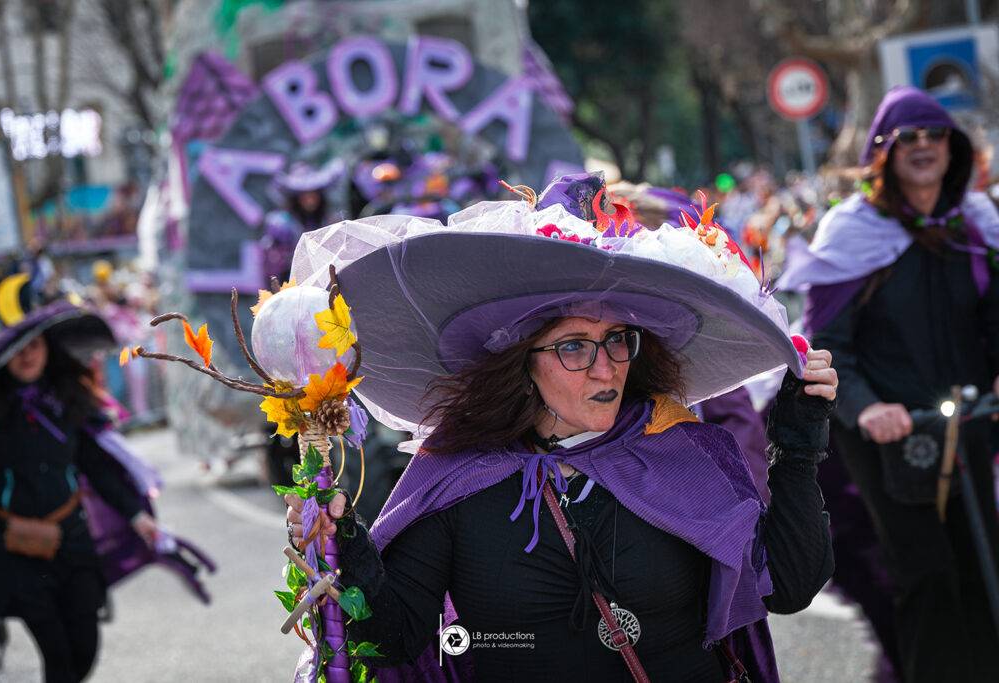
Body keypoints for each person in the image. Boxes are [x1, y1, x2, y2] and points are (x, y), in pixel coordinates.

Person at [286, 173, 837, 681]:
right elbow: (395, 639)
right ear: (520, 365)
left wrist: (796, 447)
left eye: (618, 339)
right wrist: (340, 546)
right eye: (574, 346)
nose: (606, 368)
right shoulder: (455, 474)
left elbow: (788, 588)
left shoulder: (681, 451)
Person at [776, 86, 999, 682]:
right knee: (926, 577)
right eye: (908, 138)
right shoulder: (853, 230)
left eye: (935, 135)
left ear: (954, 147)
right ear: (883, 152)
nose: (923, 147)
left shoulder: (977, 224)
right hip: (889, 437)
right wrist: (869, 407)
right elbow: (828, 343)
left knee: (984, 569)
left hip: (970, 426)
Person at [0, 278, 215, 683]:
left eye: (35, 345)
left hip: (73, 543)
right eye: (18, 348)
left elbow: (99, 468)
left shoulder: (67, 402)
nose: (27, 355)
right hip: (17, 550)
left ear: (49, 349)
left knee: (84, 652)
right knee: (59, 660)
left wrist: (137, 516)